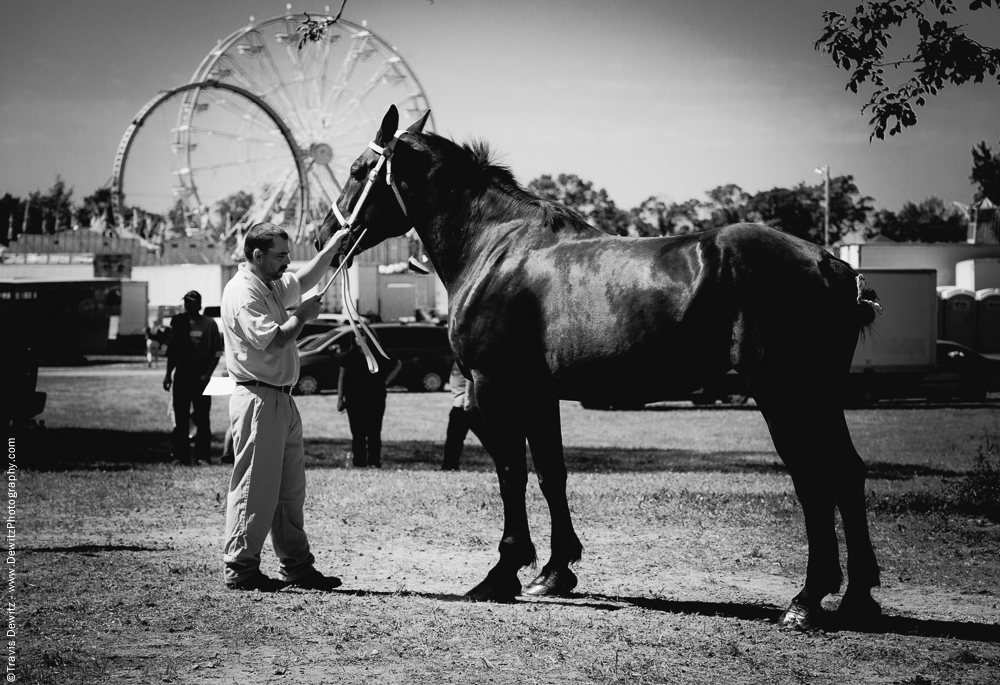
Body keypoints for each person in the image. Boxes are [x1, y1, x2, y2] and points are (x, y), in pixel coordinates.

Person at [220, 221, 349, 593]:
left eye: (287, 254)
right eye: (280, 256)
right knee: (255, 487)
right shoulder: (243, 293)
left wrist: (334, 247)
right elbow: (274, 341)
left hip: (281, 399)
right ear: (257, 255)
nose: (287, 262)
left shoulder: (270, 283)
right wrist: (302, 317)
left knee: (289, 490)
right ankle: (241, 567)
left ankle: (296, 565)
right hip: (259, 398)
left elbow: (306, 277)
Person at [163, 292, 221, 465]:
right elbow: (173, 351)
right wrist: (168, 374)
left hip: (201, 375)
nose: (187, 305)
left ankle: (202, 456)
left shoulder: (209, 324)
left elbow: (217, 352)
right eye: (186, 302)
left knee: (202, 417)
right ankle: (180, 456)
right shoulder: (179, 322)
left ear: (199, 304)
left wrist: (208, 374)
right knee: (180, 417)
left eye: (191, 302)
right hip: (182, 374)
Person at [337, 330, 401, 468]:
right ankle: (359, 461)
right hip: (354, 399)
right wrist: (340, 398)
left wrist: (386, 381)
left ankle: (374, 461)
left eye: (362, 335)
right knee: (357, 432)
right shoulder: (349, 357)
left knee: (374, 431)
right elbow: (342, 377)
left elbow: (397, 364)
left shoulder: (378, 354)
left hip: (375, 398)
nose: (358, 338)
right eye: (356, 335)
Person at [441, 362, 487, 471]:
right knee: (454, 440)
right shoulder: (459, 356)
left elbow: (471, 374)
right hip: (462, 404)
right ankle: (449, 466)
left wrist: (468, 397)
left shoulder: (465, 356)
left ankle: (449, 466)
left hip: (465, 405)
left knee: (454, 440)